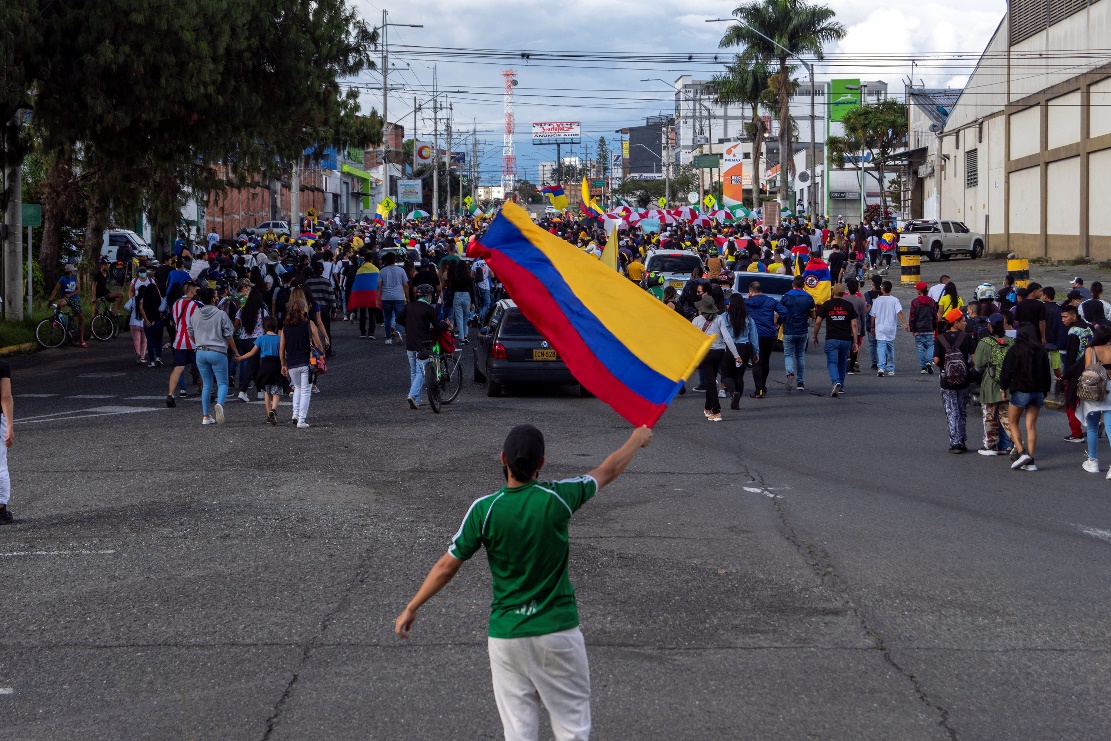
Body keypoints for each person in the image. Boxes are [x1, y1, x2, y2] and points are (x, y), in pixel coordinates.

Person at [395, 424, 653, 741]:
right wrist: (636, 439)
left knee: (518, 733)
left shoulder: (484, 510)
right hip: (558, 633)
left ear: (502, 459)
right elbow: (608, 469)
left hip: (506, 638)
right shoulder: (558, 498)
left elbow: (446, 566)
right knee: (573, 729)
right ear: (541, 464)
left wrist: (412, 606)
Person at [999, 324, 1052, 471]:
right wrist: (1045, 391)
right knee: (1031, 426)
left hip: (1020, 391)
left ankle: (1021, 451)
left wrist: (1003, 387)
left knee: (1013, 422)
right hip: (1038, 392)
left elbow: (1006, 373)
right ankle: (1031, 459)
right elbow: (1047, 374)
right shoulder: (1041, 351)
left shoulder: (1014, 351)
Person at [187, 287, 237, 426]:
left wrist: (198, 343)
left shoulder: (195, 313)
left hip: (201, 351)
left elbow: (190, 331)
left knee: (206, 385)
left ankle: (205, 416)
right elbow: (229, 335)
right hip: (218, 351)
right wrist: (235, 351)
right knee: (222, 383)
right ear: (214, 299)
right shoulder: (220, 314)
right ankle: (220, 404)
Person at [397, 284, 447, 409]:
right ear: (429, 296)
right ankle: (412, 395)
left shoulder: (409, 306)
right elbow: (437, 327)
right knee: (422, 372)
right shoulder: (428, 309)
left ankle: (417, 400)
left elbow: (398, 319)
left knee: (414, 371)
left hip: (410, 343)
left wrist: (407, 325)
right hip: (422, 344)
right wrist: (447, 325)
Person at [691, 295, 741, 422]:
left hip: (706, 354)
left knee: (710, 382)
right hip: (719, 353)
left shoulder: (696, 320)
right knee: (711, 379)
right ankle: (707, 408)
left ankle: (716, 411)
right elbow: (727, 338)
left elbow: (692, 340)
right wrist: (736, 355)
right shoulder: (719, 319)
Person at [934, 308, 977, 453]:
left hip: (946, 381)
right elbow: (974, 360)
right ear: (956, 322)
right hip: (963, 380)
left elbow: (936, 360)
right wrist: (965, 366)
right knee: (961, 409)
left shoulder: (940, 339)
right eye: (963, 321)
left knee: (951, 410)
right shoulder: (966, 338)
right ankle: (962, 440)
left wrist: (945, 367)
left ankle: (955, 442)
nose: (965, 323)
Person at [972, 313, 1014, 455]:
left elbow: (978, 365)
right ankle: (1014, 443)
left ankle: (989, 445)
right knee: (1007, 416)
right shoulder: (1012, 342)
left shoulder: (985, 342)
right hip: (1008, 385)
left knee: (989, 415)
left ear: (990, 326)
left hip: (990, 384)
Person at [280, 288, 322, 429]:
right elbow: (317, 342)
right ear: (303, 310)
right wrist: (321, 353)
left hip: (291, 363)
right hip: (306, 362)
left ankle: (295, 414)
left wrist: (283, 364)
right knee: (306, 390)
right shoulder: (308, 324)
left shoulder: (285, 327)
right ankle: (301, 420)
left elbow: (281, 348)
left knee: (297, 388)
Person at [233, 316, 283, 425]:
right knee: (276, 390)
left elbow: (252, 353)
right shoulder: (279, 338)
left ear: (264, 327)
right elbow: (282, 353)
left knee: (267, 391)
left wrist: (240, 357)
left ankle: (268, 414)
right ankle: (273, 410)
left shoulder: (261, 338)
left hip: (264, 365)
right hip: (276, 365)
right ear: (276, 326)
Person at [813, 284, 859, 397]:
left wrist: (815, 336)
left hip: (831, 338)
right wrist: (855, 341)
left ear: (833, 292)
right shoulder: (849, 305)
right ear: (843, 293)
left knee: (832, 362)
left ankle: (835, 381)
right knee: (842, 362)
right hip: (845, 339)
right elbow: (854, 324)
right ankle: (841, 386)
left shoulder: (827, 304)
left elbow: (818, 322)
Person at [744, 281, 786, 398]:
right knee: (765, 361)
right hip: (769, 334)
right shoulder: (770, 300)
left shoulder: (747, 302)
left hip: (755, 335)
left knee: (756, 361)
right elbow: (784, 311)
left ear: (751, 291)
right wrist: (778, 322)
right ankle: (763, 386)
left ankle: (758, 390)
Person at [1061, 305, 1093, 443]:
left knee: (1072, 404)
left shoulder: (1073, 332)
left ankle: (1076, 433)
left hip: (1076, 372)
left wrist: (1066, 375)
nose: (1063, 320)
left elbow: (1070, 356)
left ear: (1074, 316)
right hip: (1090, 369)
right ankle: (1093, 427)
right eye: (1062, 317)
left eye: (1065, 316)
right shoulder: (1088, 328)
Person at [166, 281, 199, 407]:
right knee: (201, 368)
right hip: (193, 341)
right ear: (190, 292)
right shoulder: (195, 305)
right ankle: (207, 391)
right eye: (195, 291)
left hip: (179, 341)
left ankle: (170, 394)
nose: (196, 293)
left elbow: (172, 322)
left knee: (178, 368)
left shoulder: (175, 304)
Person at [779, 276, 815, 391]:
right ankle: (801, 382)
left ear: (793, 285)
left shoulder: (786, 297)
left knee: (788, 355)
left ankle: (790, 373)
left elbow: (780, 313)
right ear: (803, 285)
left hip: (789, 330)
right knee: (800, 356)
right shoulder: (809, 298)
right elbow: (813, 315)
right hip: (802, 330)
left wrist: (778, 323)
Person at [869, 281, 908, 377]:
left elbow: (872, 316)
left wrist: (872, 326)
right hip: (891, 327)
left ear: (882, 289)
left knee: (881, 348)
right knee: (890, 348)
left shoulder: (877, 301)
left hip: (880, 327)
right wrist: (904, 323)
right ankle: (890, 368)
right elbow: (899, 312)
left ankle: (881, 367)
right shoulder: (894, 300)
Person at [48, 264, 88, 347]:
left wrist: (71, 294)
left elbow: (78, 290)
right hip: (66, 298)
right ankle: (58, 320)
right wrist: (50, 300)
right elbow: (55, 290)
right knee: (59, 304)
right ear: (70, 271)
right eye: (73, 270)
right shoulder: (63, 279)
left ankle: (81, 340)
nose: (74, 271)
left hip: (75, 298)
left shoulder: (74, 278)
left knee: (80, 317)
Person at [379, 251, 409, 344]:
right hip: (398, 297)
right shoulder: (401, 270)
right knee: (400, 317)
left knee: (387, 318)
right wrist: (407, 297)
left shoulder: (382, 271)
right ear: (395, 260)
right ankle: (398, 331)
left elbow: (379, 286)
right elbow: (405, 285)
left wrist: (377, 299)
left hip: (386, 297)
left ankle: (388, 338)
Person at [908, 281, 938, 374]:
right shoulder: (932, 301)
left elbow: (912, 317)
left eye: (917, 289)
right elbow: (935, 316)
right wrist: (935, 326)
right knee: (930, 346)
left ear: (920, 290)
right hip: (929, 327)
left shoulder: (915, 302)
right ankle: (929, 361)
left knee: (920, 348)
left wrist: (912, 328)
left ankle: (923, 367)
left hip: (918, 328)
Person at [136, 276, 164, 367]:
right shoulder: (160, 299)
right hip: (158, 321)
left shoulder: (144, 299)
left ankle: (151, 361)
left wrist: (146, 319)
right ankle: (158, 358)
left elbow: (141, 308)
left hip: (148, 321)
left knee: (150, 341)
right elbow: (163, 309)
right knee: (159, 340)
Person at [0, 359, 14, 523]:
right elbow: (5, 396)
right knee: (0, 464)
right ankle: (1, 510)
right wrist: (10, 425)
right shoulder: (2, 366)